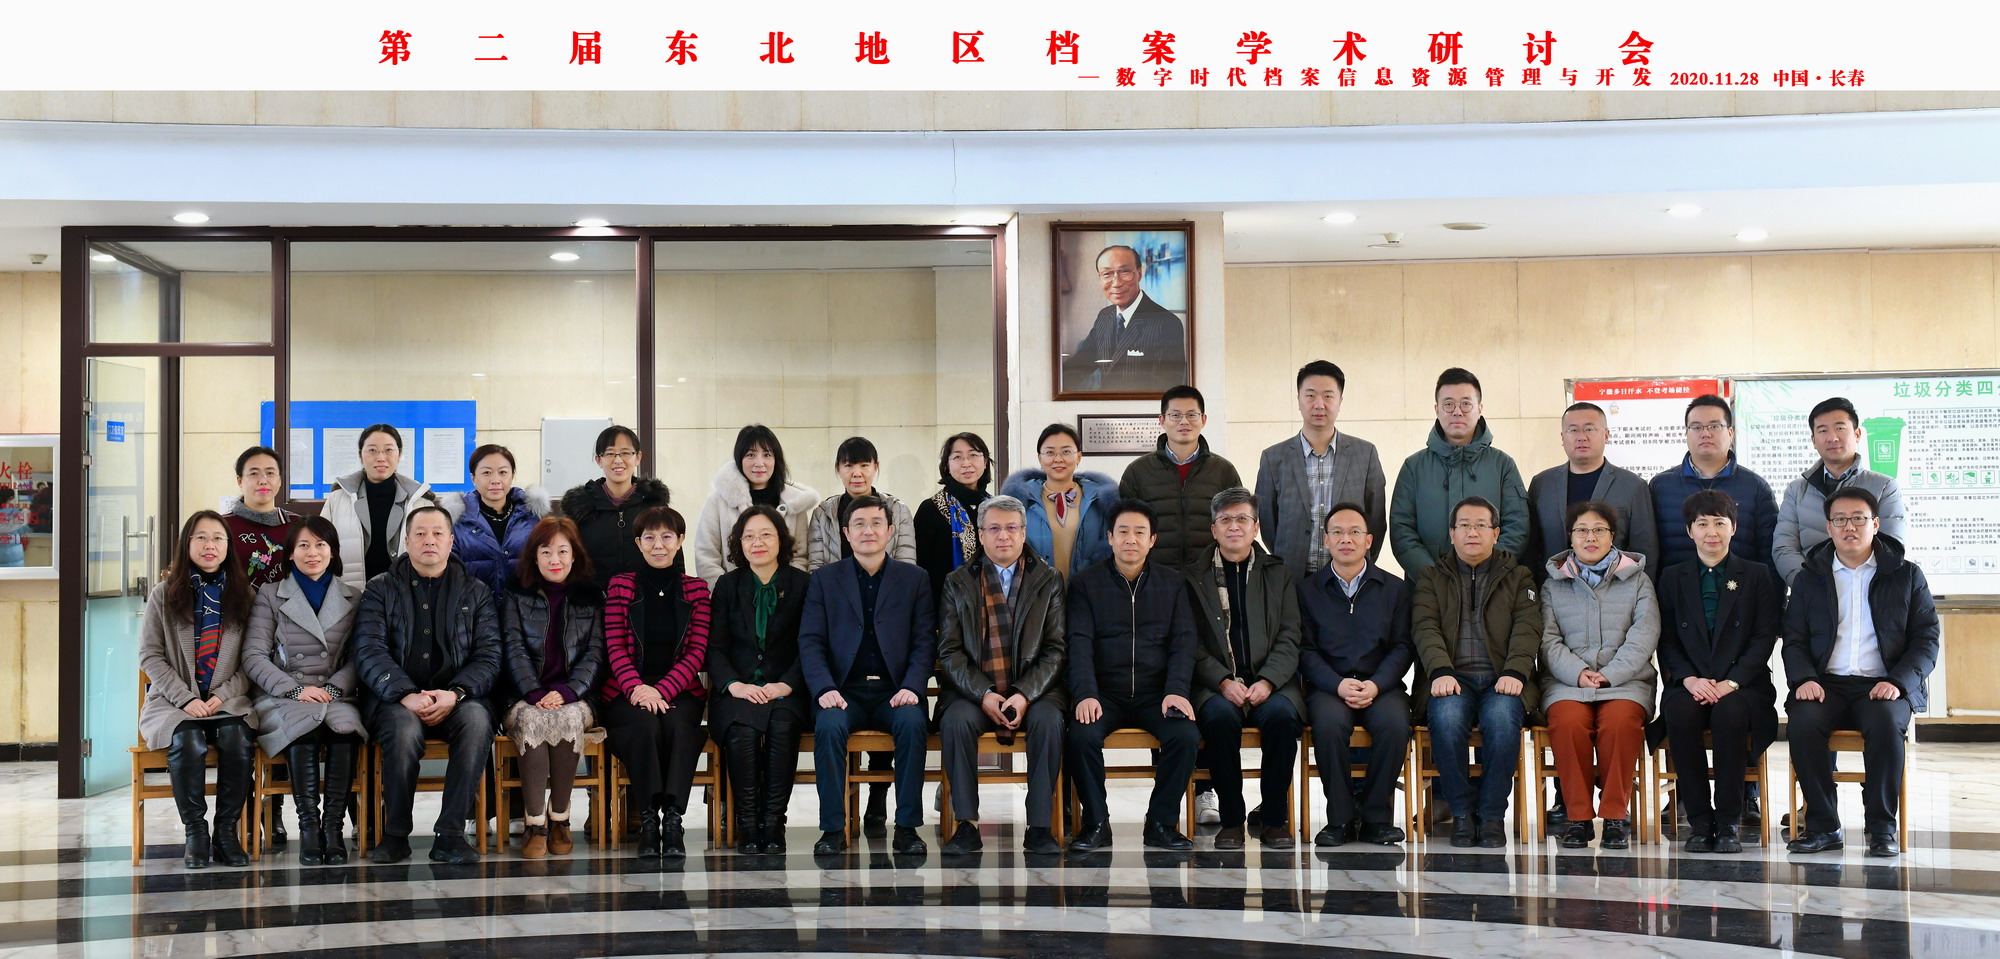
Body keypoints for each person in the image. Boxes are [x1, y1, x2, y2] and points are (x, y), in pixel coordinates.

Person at [1783, 487, 1940, 858]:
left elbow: (1926, 640)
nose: (1849, 527)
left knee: (1885, 723)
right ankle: (1822, 826)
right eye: (1840, 520)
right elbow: (1794, 639)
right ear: (1828, 527)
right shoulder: (1810, 578)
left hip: (1883, 684)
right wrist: (1804, 678)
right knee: (1803, 722)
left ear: (1876, 524)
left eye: (1858, 518)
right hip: (1826, 684)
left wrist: (1898, 682)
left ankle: (1881, 829)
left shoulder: (1906, 575)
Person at [352, 505, 501, 865]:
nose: (428, 540)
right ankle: (395, 835)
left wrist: (456, 693)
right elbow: (369, 650)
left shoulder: (475, 591)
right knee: (403, 731)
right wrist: (404, 693)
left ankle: (450, 835)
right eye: (420, 534)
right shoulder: (380, 588)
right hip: (395, 700)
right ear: (407, 542)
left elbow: (489, 655)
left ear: (451, 541)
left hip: (457, 698)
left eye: (437, 534)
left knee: (477, 721)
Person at [798, 494, 936, 856]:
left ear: (890, 531)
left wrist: (913, 686)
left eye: (876, 523)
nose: (868, 531)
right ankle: (833, 829)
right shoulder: (825, 579)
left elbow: (924, 641)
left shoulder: (915, 579)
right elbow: (810, 641)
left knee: (912, 724)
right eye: (859, 524)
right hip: (844, 691)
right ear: (846, 533)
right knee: (828, 727)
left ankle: (907, 827)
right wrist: (824, 688)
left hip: (895, 691)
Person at [934, 494, 1069, 855]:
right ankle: (966, 824)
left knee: (1049, 721)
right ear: (980, 535)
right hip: (974, 691)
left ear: (1024, 533)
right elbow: (949, 650)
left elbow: (1055, 649)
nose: (1003, 536)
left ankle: (1039, 826)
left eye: (1011, 528)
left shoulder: (1048, 580)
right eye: (994, 528)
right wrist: (984, 693)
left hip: (1035, 691)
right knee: (956, 721)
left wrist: (1024, 694)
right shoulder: (957, 581)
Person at [1064, 499, 1201, 853]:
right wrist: (1085, 693)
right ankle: (1096, 823)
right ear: (1109, 537)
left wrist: (1176, 690)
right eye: (1122, 531)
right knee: (1080, 736)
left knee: (1185, 735)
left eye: (1140, 532)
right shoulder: (1085, 584)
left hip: (1157, 694)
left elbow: (1184, 642)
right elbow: (1079, 643)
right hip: (1104, 694)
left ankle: (1160, 823)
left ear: (1152, 539)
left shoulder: (1173, 584)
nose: (1131, 539)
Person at [1656, 490, 1781, 854]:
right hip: (1690, 681)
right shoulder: (1672, 577)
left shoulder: (1756, 575)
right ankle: (1699, 821)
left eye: (1719, 523)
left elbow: (1763, 637)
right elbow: (1665, 638)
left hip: (1743, 684)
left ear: (1734, 528)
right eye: (1702, 524)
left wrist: (1732, 682)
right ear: (1689, 530)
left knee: (1731, 714)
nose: (1711, 532)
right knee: (1681, 712)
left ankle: (1728, 821)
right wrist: (1689, 679)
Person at [1411, 496, 1539, 848]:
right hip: (1450, 678)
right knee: (1447, 719)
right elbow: (1425, 627)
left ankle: (1492, 815)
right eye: (1464, 525)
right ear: (1451, 533)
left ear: (1495, 533)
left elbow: (1527, 630)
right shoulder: (1431, 577)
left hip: (1502, 678)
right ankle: (1462, 814)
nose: (1472, 532)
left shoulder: (1519, 576)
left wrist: (1515, 671)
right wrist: (1440, 670)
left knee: (1501, 720)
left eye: (1481, 525)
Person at [242, 516, 367, 866]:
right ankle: (309, 827)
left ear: (333, 552)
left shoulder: (354, 596)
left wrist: (335, 687)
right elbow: (253, 656)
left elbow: (361, 656)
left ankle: (333, 828)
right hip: (284, 694)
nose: (313, 553)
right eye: (304, 545)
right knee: (303, 731)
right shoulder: (270, 595)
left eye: (321, 545)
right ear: (290, 553)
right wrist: (295, 690)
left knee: (345, 732)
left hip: (335, 692)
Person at [137, 511, 258, 869]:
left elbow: (254, 659)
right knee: (187, 741)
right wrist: (186, 698)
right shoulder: (163, 595)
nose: (210, 545)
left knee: (237, 740)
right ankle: (196, 833)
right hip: (173, 702)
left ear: (228, 546)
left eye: (218, 538)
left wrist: (222, 696)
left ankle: (226, 832)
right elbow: (150, 655)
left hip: (229, 701)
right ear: (186, 544)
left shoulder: (246, 596)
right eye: (201, 537)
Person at [1186, 488, 1305, 850]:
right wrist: (1222, 681)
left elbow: (1290, 635)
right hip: (1216, 684)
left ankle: (1274, 819)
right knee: (1219, 719)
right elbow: (1188, 641)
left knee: (1282, 718)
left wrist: (1268, 680)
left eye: (1242, 519)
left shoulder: (1278, 573)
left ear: (1256, 527)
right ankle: (1232, 822)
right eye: (1225, 520)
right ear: (1214, 529)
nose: (1234, 527)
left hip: (1272, 682)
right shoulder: (1192, 577)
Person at [1539, 500, 1660, 850]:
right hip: (1567, 683)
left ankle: (1614, 816)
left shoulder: (1638, 580)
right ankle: (1577, 818)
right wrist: (1577, 673)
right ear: (1570, 537)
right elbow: (1547, 640)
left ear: (1612, 536)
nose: (1590, 537)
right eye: (1581, 530)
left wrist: (1610, 674)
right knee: (1567, 722)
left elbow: (1645, 634)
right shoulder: (1552, 584)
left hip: (1626, 682)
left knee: (1620, 723)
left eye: (1598, 530)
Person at [598, 506, 712, 860]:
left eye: (666, 537)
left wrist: (661, 690)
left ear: (680, 540)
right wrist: (637, 689)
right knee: (645, 726)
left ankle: (673, 820)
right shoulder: (621, 586)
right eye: (649, 537)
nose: (658, 545)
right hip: (626, 690)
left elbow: (697, 651)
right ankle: (649, 820)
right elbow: (614, 646)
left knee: (679, 726)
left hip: (680, 689)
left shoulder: (697, 590)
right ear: (638, 543)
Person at [1297, 503, 1414, 847]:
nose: (1345, 539)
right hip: (1329, 687)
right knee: (1329, 725)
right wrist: (1336, 684)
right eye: (1337, 532)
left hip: (1381, 686)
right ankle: (1341, 820)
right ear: (1326, 540)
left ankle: (1377, 818)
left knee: (1395, 725)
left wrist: (1376, 684)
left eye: (1354, 532)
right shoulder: (1307, 590)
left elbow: (1403, 646)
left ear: (1368, 540)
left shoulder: (1394, 589)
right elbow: (1304, 649)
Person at [498, 517, 607, 860]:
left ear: (575, 555)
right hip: (522, 694)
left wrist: (569, 692)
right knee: (533, 720)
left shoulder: (592, 596)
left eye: (562, 551)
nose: (554, 559)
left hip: (577, 694)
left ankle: (560, 818)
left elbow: (595, 653)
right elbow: (512, 647)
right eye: (546, 551)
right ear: (534, 556)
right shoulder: (516, 593)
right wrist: (533, 692)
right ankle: (535, 823)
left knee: (567, 718)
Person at [708, 506, 810, 855]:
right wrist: (734, 685)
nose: (757, 542)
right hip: (737, 690)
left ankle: (774, 822)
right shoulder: (727, 585)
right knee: (742, 730)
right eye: (749, 536)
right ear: (739, 543)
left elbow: (811, 644)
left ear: (781, 539)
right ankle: (748, 822)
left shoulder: (802, 584)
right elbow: (715, 647)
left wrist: (786, 685)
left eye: (766, 534)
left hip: (786, 690)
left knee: (782, 726)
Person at [1390, 368, 1530, 576]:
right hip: (1428, 588)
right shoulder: (1414, 467)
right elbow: (1402, 531)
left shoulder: (1503, 465)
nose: (1457, 412)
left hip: (1492, 585)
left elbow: (1517, 527)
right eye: (1448, 404)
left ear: (1480, 408)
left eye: (1466, 404)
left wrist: (1485, 574)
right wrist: (1434, 579)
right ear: (1437, 409)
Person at [1256, 360, 1388, 575]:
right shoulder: (1273, 458)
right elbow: (1269, 524)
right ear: (1299, 400)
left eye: (1328, 396)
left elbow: (1376, 520)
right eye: (1310, 395)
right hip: (1293, 577)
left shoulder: (1365, 454)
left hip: (1348, 575)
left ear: (1340, 401)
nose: (1319, 404)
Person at [1773, 397, 1909, 587]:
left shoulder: (1884, 486)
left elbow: (1891, 546)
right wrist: (1808, 586)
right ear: (1813, 440)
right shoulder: (1796, 490)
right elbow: (1784, 547)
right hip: (1812, 592)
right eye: (1823, 430)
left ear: (1857, 434)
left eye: (1840, 428)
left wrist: (1855, 586)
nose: (1832, 438)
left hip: (1868, 592)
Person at [1525, 403, 1659, 581]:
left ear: (1606, 435)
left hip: (1615, 590)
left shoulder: (1633, 485)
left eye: (1589, 429)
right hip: (1551, 588)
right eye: (1573, 430)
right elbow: (1531, 546)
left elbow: (1645, 549)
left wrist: (1639, 591)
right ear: (1562, 437)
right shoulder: (1542, 483)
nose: (1582, 437)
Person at [1119, 385, 1243, 571]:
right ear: (1162, 420)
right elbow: (1126, 527)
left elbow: (1238, 522)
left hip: (1210, 574)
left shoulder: (1223, 470)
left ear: (1203, 420)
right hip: (1155, 574)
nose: (1184, 422)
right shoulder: (1138, 471)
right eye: (1175, 415)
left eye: (1192, 415)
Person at [1649, 394, 1779, 571]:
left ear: (1730, 433)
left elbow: (1769, 553)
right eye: (1696, 427)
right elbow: (1650, 549)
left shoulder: (1755, 487)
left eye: (1715, 426)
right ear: (1686, 433)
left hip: (1740, 587)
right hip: (1675, 587)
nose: (1705, 434)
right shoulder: (1660, 486)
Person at [695, 424, 820, 585]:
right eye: (751, 455)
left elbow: (799, 556)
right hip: (731, 596)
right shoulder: (718, 501)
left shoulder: (794, 502)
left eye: (767, 455)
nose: (759, 463)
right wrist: (724, 592)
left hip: (784, 595)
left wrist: (788, 591)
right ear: (739, 459)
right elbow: (706, 556)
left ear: (776, 459)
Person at [322, 424, 438, 589]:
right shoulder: (338, 500)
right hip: (349, 595)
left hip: (407, 597)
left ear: (399, 455)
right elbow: (320, 547)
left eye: (388, 450)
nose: (381, 457)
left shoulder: (421, 502)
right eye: (372, 450)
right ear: (360, 456)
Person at [1060, 244, 1188, 392]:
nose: (1116, 283)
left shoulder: (1167, 324)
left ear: (1139, 274)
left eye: (1125, 272)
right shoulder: (1104, 316)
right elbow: (1079, 365)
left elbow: (1165, 390)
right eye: (1107, 274)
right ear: (1100, 278)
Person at [558, 425, 671, 590]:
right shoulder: (581, 508)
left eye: (625, 453)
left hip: (645, 600)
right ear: (599, 460)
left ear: (638, 457)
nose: (618, 460)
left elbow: (673, 556)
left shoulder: (654, 505)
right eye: (610, 454)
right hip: (594, 602)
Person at [1000, 423, 1116, 582]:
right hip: (1036, 592)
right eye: (1050, 452)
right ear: (1040, 458)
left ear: (1078, 457)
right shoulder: (1020, 502)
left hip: (1089, 590)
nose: (1058, 459)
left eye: (1066, 451)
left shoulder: (1099, 500)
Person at [446, 444, 552, 598]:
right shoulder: (457, 521)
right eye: (486, 473)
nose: (495, 480)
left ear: (512, 475)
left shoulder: (532, 517)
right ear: (473, 478)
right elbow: (450, 573)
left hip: (525, 607)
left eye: (503, 472)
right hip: (475, 608)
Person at [806, 436, 916, 571]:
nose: (857, 474)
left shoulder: (898, 510)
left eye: (864, 465)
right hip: (836, 584)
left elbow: (907, 566)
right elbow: (816, 567)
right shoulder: (823, 513)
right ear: (838, 468)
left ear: (875, 467)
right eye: (849, 466)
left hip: (889, 584)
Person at [916, 432, 994, 603]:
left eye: (973, 455)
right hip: (945, 607)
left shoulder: (995, 509)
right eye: (957, 457)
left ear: (985, 462)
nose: (966, 463)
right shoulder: (931, 509)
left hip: (993, 605)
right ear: (947, 465)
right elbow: (920, 570)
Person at [222, 446, 302, 588]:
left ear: (280, 480)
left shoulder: (298, 525)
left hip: (288, 602)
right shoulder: (222, 526)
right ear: (240, 481)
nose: (263, 481)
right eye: (254, 473)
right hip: (234, 602)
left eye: (270, 473)